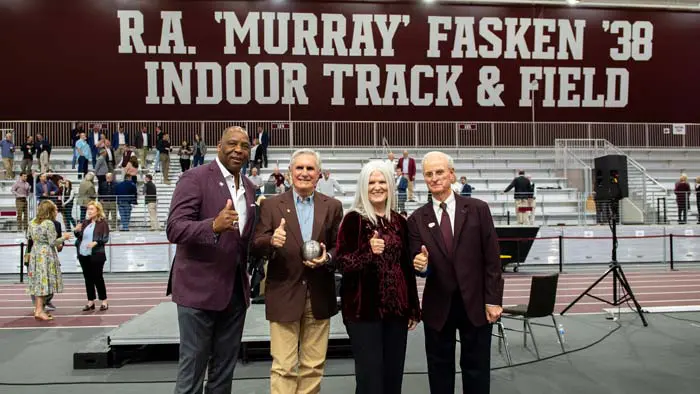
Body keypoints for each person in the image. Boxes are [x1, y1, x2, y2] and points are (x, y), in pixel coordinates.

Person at [166, 126, 256, 394]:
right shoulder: (194, 178)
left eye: (244, 146)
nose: (238, 150)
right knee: (192, 372)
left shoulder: (249, 188)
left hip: (235, 294)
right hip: (198, 292)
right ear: (219, 146)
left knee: (223, 374)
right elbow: (174, 228)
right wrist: (213, 226)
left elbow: (244, 241)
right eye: (232, 144)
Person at [408, 151, 503, 394]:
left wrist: (493, 300)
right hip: (438, 306)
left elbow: (492, 259)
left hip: (477, 303)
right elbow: (418, 264)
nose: (434, 178)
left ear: (452, 175)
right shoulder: (417, 219)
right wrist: (421, 265)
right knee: (439, 370)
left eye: (439, 172)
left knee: (477, 368)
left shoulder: (478, 209)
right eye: (429, 174)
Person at [252, 148, 344, 394]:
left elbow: (339, 247)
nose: (304, 173)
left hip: (319, 294)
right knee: (283, 366)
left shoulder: (333, 206)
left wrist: (328, 258)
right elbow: (256, 243)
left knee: (313, 365)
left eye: (310, 168)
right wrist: (272, 241)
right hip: (284, 292)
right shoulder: (271, 205)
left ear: (319, 174)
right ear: (290, 173)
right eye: (299, 168)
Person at [335, 160, 421, 394]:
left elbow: (406, 269)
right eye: (371, 182)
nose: (377, 187)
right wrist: (368, 252)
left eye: (382, 181)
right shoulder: (353, 219)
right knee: (370, 379)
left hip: (397, 311)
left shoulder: (400, 222)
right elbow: (342, 262)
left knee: (393, 376)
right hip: (363, 312)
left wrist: (413, 307)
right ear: (363, 186)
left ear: (391, 185)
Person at [26, 200, 71, 321]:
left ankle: (37, 309)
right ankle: (40, 311)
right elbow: (53, 242)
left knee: (38, 282)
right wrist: (64, 237)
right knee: (43, 283)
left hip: (36, 253)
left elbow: (30, 238)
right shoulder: (48, 223)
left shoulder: (32, 222)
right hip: (45, 255)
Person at [74, 201, 111, 311]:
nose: (89, 211)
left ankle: (104, 301)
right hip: (83, 253)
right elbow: (80, 237)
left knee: (98, 277)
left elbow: (105, 238)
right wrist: (76, 231)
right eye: (88, 209)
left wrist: (96, 242)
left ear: (97, 211)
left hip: (97, 254)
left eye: (92, 209)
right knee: (88, 278)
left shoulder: (102, 223)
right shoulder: (85, 222)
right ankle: (90, 301)